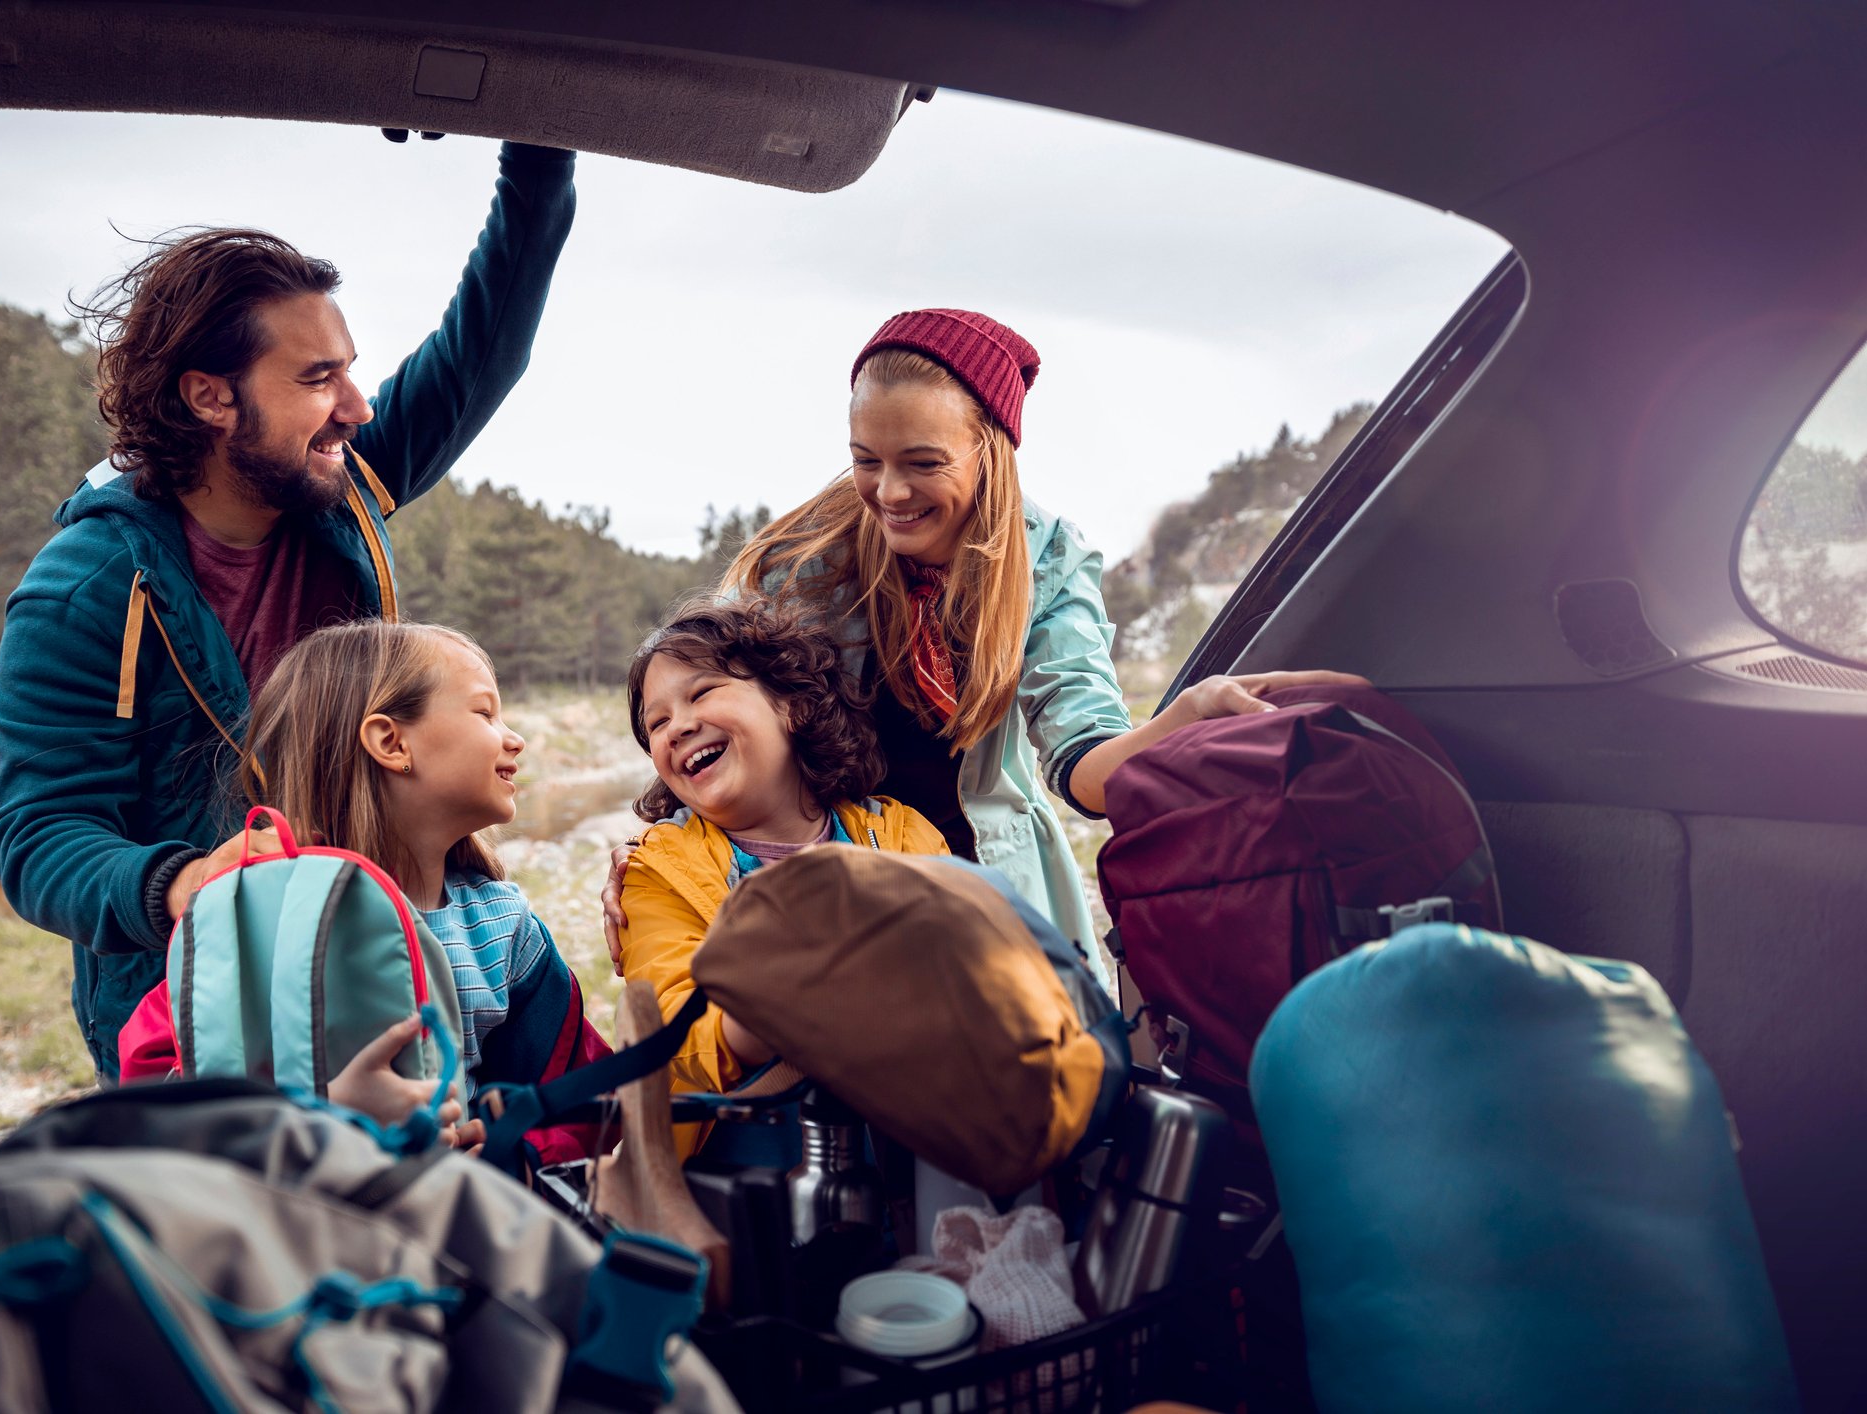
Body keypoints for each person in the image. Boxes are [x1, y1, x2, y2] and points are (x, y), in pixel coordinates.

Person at [0, 142, 576, 1079]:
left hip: (380, 956)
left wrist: (538, 160)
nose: (356, 405)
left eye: (348, 369)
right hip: (200, 1010)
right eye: (314, 380)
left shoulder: (340, 486)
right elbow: (39, 835)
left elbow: (483, 352)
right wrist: (185, 883)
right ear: (211, 397)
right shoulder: (84, 587)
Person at [602, 308, 1363, 983]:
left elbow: (1086, 769)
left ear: (989, 450)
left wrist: (1178, 722)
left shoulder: (1051, 561)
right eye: (866, 459)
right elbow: (705, 710)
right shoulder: (804, 558)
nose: (889, 494)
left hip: (984, 883)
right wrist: (656, 864)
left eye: (923, 463)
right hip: (828, 876)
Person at [116, 620, 607, 1157]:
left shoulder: (499, 926)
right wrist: (320, 1118)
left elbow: (579, 1095)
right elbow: (157, 1104)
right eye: (485, 712)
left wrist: (508, 1146)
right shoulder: (255, 922)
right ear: (392, 742)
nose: (515, 737)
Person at [617, 598, 950, 1157]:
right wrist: (796, 1005)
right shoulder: (656, 870)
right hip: (747, 1165)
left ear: (791, 705)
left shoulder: (900, 835)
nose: (679, 726)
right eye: (657, 722)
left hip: (919, 1141)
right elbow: (671, 1029)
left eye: (701, 693)